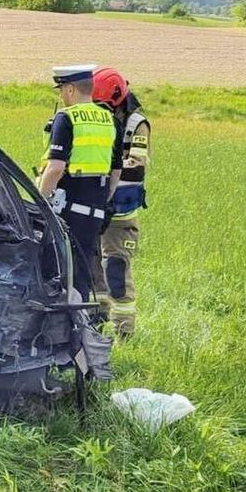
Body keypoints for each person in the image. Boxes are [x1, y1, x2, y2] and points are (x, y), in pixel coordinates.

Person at [36, 65, 123, 302]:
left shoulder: (67, 117)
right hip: (94, 213)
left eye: (62, 89)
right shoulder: (110, 121)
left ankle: (58, 331)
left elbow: (55, 168)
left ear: (71, 89)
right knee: (82, 273)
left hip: (66, 211)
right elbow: (116, 170)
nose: (62, 96)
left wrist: (40, 201)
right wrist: (101, 199)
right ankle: (82, 327)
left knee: (54, 271)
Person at [91, 67, 149, 337]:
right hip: (94, 208)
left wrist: (103, 168)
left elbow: (135, 167)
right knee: (93, 276)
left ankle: (125, 335)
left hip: (121, 213)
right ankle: (96, 328)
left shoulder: (137, 123)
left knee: (116, 274)